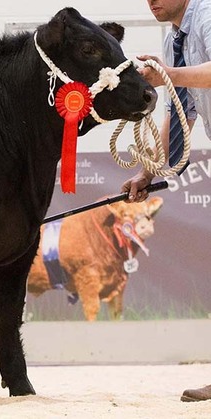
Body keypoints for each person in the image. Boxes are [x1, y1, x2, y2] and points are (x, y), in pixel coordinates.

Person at [121, 0, 211, 403]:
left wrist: (169, 76)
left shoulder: (208, 15)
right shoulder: (175, 38)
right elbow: (182, 110)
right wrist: (148, 172)